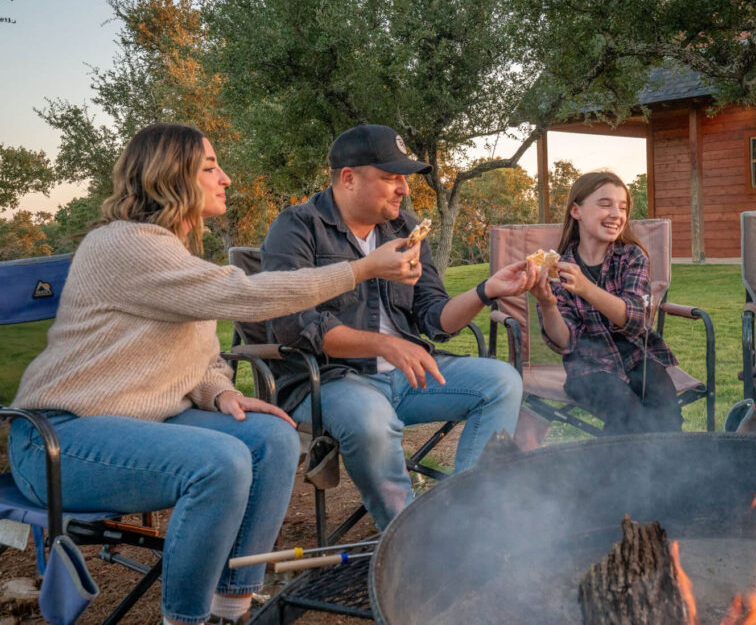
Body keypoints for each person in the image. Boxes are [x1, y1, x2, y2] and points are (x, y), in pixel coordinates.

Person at [8, 123, 421, 625]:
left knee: (273, 437)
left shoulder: (173, 251)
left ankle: (231, 610)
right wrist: (359, 269)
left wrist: (220, 391)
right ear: (170, 176)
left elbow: (198, 354)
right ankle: (185, 619)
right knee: (221, 461)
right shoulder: (124, 245)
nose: (225, 178)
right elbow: (245, 297)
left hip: (144, 426)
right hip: (57, 439)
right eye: (209, 168)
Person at [261, 123, 532, 529]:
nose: (404, 188)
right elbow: (295, 326)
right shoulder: (298, 227)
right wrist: (384, 346)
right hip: (330, 382)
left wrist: (486, 290)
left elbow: (434, 317)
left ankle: (469, 523)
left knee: (502, 382)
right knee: (370, 418)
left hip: (405, 378)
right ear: (348, 178)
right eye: (390, 178)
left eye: (404, 178)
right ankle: (410, 538)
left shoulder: (403, 228)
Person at [529, 171, 682, 435]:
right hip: (588, 368)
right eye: (605, 204)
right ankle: (619, 475)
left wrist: (586, 288)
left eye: (622, 207)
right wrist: (548, 304)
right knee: (628, 416)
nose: (616, 214)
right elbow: (564, 342)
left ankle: (658, 476)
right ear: (576, 211)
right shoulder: (558, 268)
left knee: (667, 414)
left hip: (638, 356)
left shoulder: (632, 257)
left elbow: (636, 319)